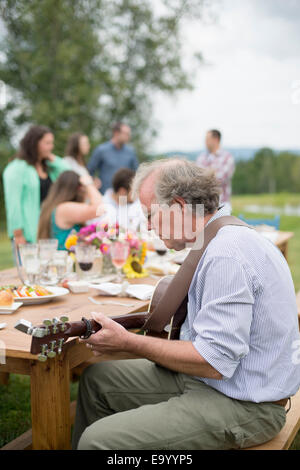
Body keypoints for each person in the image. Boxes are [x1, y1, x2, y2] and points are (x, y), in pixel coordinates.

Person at [72, 158, 300, 450]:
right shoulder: (219, 236)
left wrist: (128, 342)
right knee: (96, 380)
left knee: (97, 441)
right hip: (215, 382)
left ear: (180, 207)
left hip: (247, 405)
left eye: (151, 214)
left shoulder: (226, 254)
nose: (149, 226)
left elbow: (213, 361)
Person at [3, 125, 70, 245]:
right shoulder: (16, 168)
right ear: (34, 144)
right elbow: (13, 203)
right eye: (47, 143)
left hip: (50, 231)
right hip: (28, 234)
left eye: (51, 143)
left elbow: (70, 174)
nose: (51, 147)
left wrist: (53, 159)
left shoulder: (50, 167)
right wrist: (18, 234)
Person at [38, 171, 104, 250]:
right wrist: (88, 184)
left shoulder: (56, 207)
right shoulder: (64, 208)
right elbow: (100, 208)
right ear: (79, 189)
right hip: (64, 259)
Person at [87, 122, 139, 194]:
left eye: (129, 134)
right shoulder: (101, 150)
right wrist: (94, 181)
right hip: (104, 195)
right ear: (116, 133)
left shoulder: (130, 152)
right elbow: (89, 171)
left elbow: (137, 173)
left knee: (122, 205)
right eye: (126, 134)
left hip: (123, 197)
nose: (128, 137)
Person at [89, 167, 146, 232]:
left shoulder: (136, 204)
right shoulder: (100, 206)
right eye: (135, 192)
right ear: (122, 191)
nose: (137, 195)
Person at [196, 130, 235, 206]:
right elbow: (197, 178)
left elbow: (222, 179)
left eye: (207, 139)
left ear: (216, 139)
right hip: (203, 203)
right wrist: (213, 172)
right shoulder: (201, 157)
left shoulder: (227, 157)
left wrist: (206, 174)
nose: (205, 142)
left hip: (222, 203)